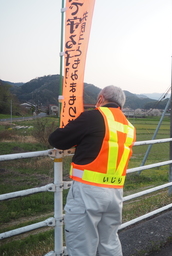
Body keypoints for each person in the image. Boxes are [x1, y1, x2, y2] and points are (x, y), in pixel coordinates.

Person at [48, 85, 136, 256]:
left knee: (82, 245)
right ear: (121, 104)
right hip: (115, 193)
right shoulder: (129, 126)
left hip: (88, 192)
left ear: (101, 98)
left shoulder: (94, 116)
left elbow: (57, 139)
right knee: (109, 242)